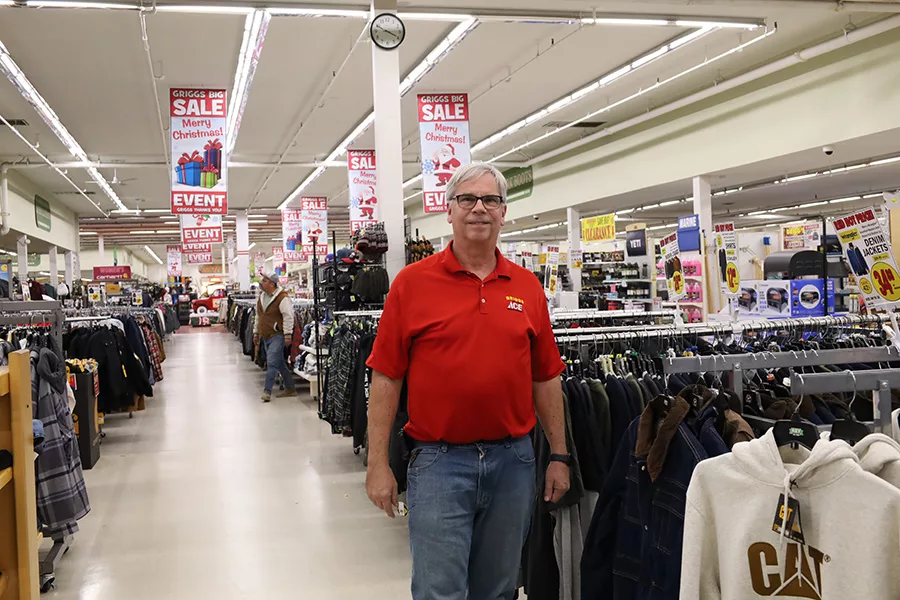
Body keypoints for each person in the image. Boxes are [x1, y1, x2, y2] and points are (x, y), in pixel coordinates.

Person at [365, 162, 570, 600]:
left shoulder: (528, 287)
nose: (479, 208)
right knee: (440, 591)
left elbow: (546, 377)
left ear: (503, 212)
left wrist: (559, 454)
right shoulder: (411, 285)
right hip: (439, 463)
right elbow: (386, 377)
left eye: (490, 200)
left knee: (498, 589)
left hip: (514, 462)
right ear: (449, 210)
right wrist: (377, 464)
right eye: (467, 199)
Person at [253, 272, 296, 403]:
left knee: (271, 362)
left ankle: (267, 391)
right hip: (265, 335)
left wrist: (288, 334)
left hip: (278, 335)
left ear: (272, 284)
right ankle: (290, 388)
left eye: (264, 280)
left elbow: (288, 316)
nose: (261, 282)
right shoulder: (261, 297)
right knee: (280, 363)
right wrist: (256, 332)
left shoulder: (282, 298)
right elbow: (258, 316)